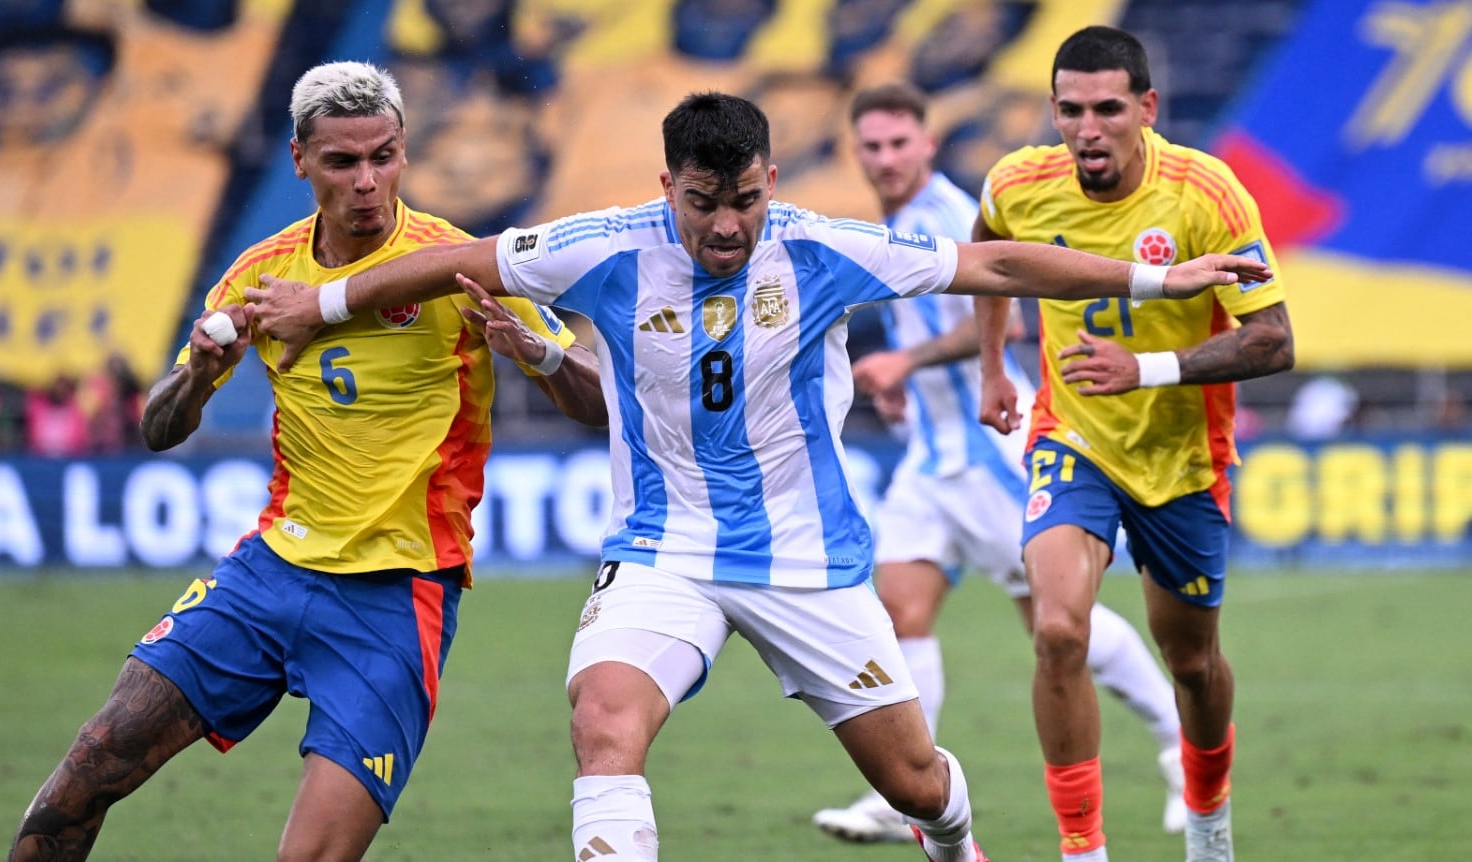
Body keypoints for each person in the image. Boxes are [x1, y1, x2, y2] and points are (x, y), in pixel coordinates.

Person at [244, 92, 1269, 862]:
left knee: (915, 782)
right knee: (604, 725)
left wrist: (1155, 277)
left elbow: (994, 267)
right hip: (661, 551)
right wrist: (324, 308)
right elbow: (450, 259)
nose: (725, 226)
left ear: (768, 181)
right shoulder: (598, 248)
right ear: (665, 189)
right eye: (700, 204)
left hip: (804, 558)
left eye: (741, 200)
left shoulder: (820, 247)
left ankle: (952, 840)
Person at [6, 61, 605, 862]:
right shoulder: (260, 273)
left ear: (403, 151)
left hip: (395, 600)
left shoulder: (456, 264)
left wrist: (532, 351)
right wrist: (197, 377)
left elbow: (598, 405)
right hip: (267, 576)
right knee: (84, 774)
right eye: (342, 162)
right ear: (299, 160)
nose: (368, 181)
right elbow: (157, 428)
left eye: (384, 156)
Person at [811, 82, 1187, 845]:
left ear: (928, 145)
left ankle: (1179, 747)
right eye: (872, 147)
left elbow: (1009, 314)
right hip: (932, 456)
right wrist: (906, 384)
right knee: (900, 609)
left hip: (990, 448)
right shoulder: (899, 222)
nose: (885, 159)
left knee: (1053, 622)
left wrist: (903, 361)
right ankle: (904, 790)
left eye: (898, 144)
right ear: (858, 152)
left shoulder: (949, 216)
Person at [971, 27, 1295, 862]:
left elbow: (1273, 342)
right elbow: (990, 261)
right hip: (1071, 437)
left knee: (1191, 662)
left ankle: (1209, 820)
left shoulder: (1206, 195)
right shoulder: (1018, 183)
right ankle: (1083, 850)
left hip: (1183, 459)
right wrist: (993, 369)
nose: (1088, 129)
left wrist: (1146, 367)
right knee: (1057, 631)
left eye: (1108, 109)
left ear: (1146, 109)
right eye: (1070, 110)